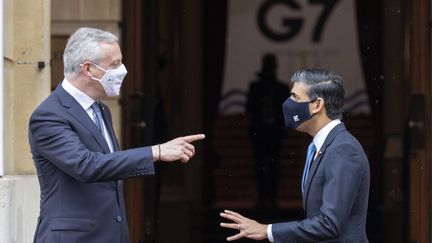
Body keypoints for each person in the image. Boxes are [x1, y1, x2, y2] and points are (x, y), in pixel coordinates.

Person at [28, 27, 205, 243]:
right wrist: (155, 152)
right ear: (88, 69)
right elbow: (87, 166)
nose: (123, 70)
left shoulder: (102, 110)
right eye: (114, 65)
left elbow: (109, 170)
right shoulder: (48, 115)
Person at [220, 69, 370, 242]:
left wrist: (267, 230)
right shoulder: (322, 146)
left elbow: (330, 223)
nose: (288, 103)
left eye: (295, 97)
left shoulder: (342, 150)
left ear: (317, 105)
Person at [246, 54, 289, 208]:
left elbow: (249, 109)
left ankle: (268, 197)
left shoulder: (261, 88)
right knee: (266, 164)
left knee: (268, 164)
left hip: (268, 131)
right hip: (265, 131)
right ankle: (266, 197)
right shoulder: (273, 88)